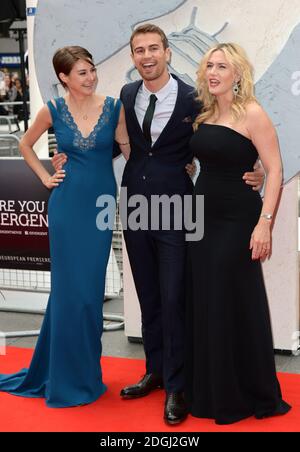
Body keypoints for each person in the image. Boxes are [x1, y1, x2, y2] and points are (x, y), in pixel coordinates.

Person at [52, 26, 264, 424]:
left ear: (167, 52)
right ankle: (155, 370)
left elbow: (226, 135)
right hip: (134, 203)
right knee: (147, 292)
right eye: (139, 51)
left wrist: (254, 169)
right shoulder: (127, 96)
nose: (146, 56)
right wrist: (67, 155)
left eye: (153, 49)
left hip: (178, 206)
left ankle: (178, 385)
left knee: (174, 295)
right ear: (133, 57)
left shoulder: (194, 98)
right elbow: (110, 142)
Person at [0, 46, 129, 407]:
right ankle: (68, 378)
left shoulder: (114, 108)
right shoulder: (53, 110)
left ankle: (77, 373)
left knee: (86, 295)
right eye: (82, 73)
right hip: (66, 207)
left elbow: (131, 151)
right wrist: (45, 177)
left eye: (92, 70)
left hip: (101, 208)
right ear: (64, 78)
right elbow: (25, 144)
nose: (90, 78)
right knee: (70, 292)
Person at [185, 42, 291, 424]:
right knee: (208, 301)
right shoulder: (205, 113)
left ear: (238, 74)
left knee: (234, 301)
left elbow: (275, 170)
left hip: (237, 220)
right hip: (201, 219)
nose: (213, 72)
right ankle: (213, 392)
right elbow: (202, 161)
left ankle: (245, 392)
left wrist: (265, 223)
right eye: (209, 65)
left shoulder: (252, 113)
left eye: (222, 67)